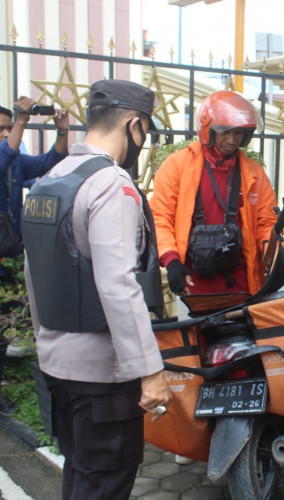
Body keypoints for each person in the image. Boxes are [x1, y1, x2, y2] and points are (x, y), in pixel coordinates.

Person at [21, 79, 172, 500]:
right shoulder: (110, 184)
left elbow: (34, 273)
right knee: (102, 483)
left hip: (58, 365)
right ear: (134, 124)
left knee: (81, 474)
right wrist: (151, 371)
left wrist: (44, 340)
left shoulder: (52, 178)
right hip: (103, 378)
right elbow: (119, 285)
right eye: (145, 131)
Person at [150, 90, 277, 299]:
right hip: (194, 284)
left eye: (238, 133)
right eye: (225, 132)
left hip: (243, 284)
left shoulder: (254, 173)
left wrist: (274, 254)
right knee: (195, 333)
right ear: (208, 130)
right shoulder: (177, 166)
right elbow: (161, 217)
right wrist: (171, 260)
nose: (232, 140)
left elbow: (266, 223)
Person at [0, 98, 69, 261]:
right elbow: (4, 158)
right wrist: (21, 122)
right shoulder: (7, 156)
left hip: (11, 248)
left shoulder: (16, 162)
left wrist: (62, 132)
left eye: (10, 128)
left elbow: (50, 162)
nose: (7, 133)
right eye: (0, 129)